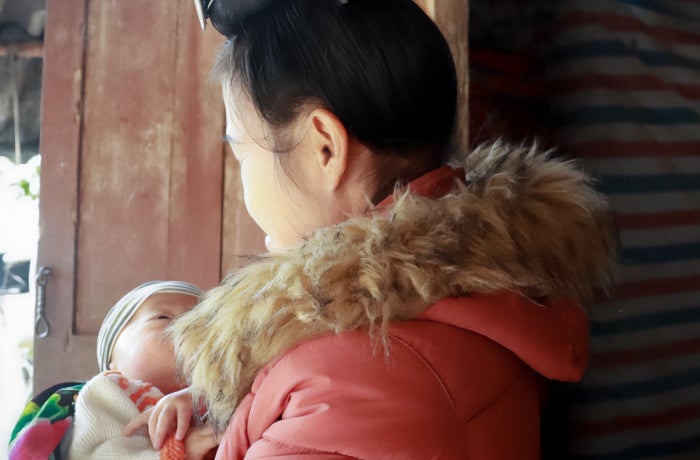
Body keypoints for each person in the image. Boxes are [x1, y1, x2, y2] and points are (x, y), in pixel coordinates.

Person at [169, 0, 617, 458]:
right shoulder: (478, 294)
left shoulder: (358, 373)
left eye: (243, 152)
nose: (244, 176)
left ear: (324, 148)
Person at [8, 280, 218, 460]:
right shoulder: (107, 394)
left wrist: (195, 397)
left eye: (205, 324)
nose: (189, 327)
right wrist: (180, 453)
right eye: (163, 317)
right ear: (112, 364)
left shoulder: (222, 392)